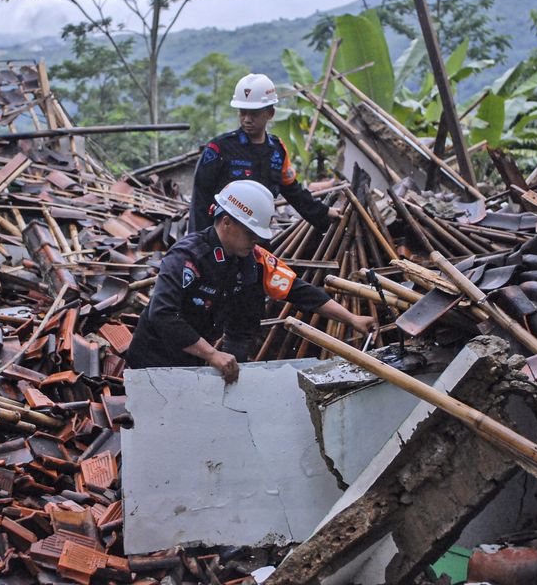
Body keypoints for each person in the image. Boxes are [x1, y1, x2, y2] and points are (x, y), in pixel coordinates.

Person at [127, 180, 374, 383]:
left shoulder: (253, 259)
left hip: (194, 360)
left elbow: (298, 291)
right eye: (250, 233)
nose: (255, 240)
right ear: (227, 222)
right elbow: (162, 314)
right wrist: (212, 354)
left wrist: (352, 319)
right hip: (153, 358)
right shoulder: (187, 257)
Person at [187, 73, 341, 235]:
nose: (247, 119)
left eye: (253, 113)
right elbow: (200, 201)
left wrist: (324, 213)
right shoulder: (219, 149)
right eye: (242, 112)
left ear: (270, 113)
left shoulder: (277, 151)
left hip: (258, 238)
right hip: (223, 239)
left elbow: (294, 193)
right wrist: (199, 243)